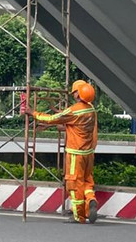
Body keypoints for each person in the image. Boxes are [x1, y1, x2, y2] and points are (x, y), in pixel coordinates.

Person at [26, 80, 98, 224]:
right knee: (87, 181)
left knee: (73, 184)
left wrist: (33, 113)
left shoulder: (74, 110)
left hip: (75, 154)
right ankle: (91, 200)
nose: (74, 95)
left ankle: (79, 217)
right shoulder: (91, 110)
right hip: (88, 153)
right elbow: (73, 126)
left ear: (78, 93)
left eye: (75, 92)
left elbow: (52, 119)